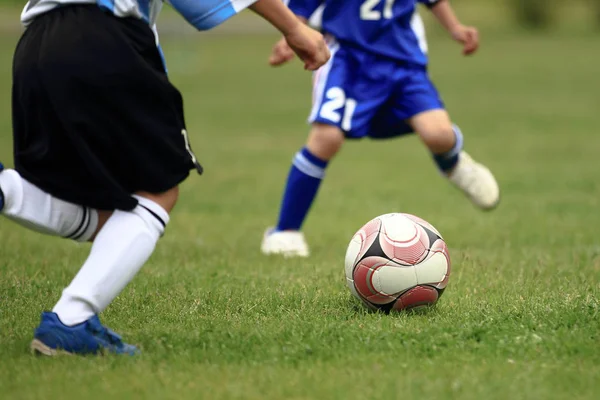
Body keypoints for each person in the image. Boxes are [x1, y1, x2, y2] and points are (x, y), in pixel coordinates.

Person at [0, 0, 329, 356]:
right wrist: (294, 28)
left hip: (35, 46)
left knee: (105, 214)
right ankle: (70, 320)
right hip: (103, 36)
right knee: (157, 192)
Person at [261, 0, 500, 258]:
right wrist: (291, 36)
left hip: (403, 60)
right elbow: (302, 5)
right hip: (347, 59)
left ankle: (454, 164)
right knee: (326, 138)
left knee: (438, 134)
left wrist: (454, 27)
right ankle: (285, 232)